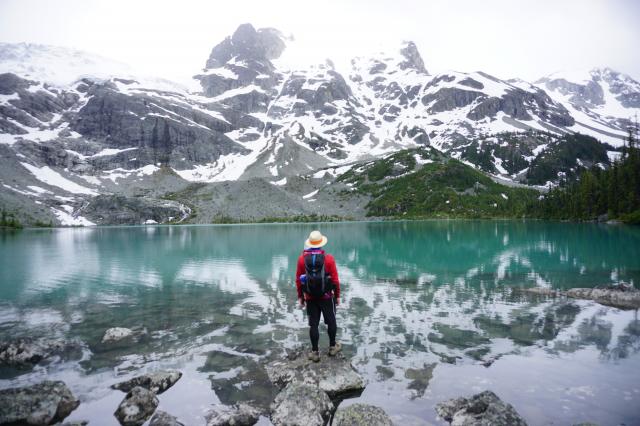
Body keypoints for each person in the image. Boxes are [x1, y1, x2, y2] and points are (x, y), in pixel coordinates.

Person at [295, 230, 341, 362]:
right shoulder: (329, 259)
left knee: (313, 325)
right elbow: (335, 280)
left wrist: (301, 297)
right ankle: (332, 347)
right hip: (327, 297)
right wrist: (337, 296)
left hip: (310, 298)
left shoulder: (301, 259)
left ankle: (315, 352)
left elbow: (298, 280)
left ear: (310, 243)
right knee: (331, 321)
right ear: (321, 243)